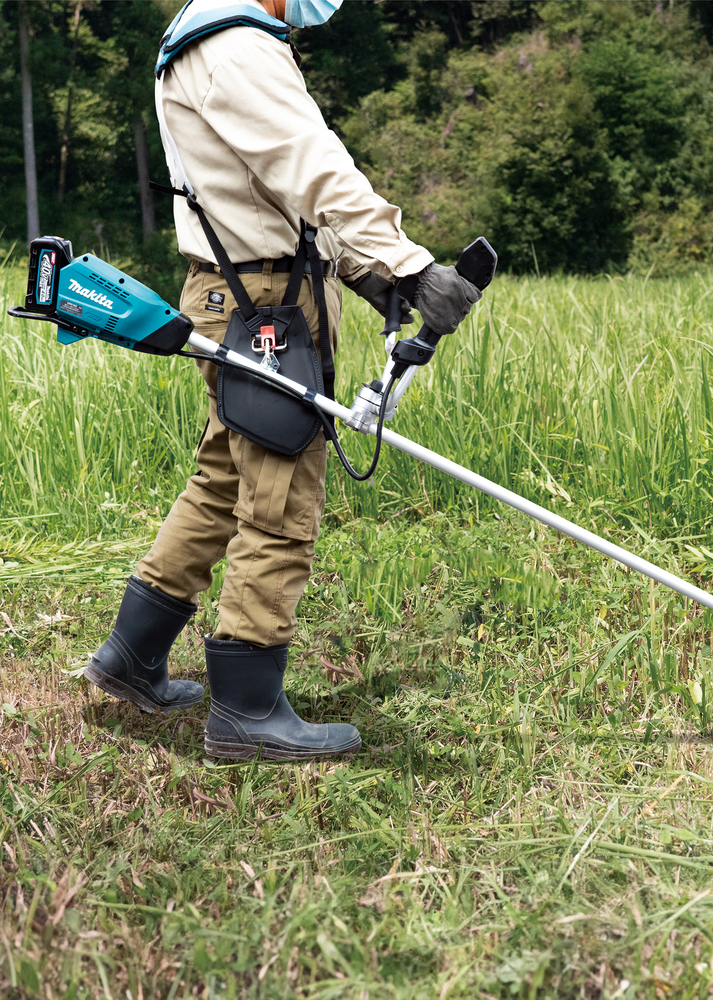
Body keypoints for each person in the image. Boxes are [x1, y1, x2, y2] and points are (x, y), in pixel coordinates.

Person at [83, 0, 482, 760]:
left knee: (224, 479)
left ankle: (130, 659)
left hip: (234, 287)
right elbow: (312, 165)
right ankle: (246, 710)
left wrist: (363, 272)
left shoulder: (204, 33)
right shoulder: (236, 42)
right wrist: (406, 262)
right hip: (266, 300)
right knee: (278, 495)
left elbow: (278, 187)